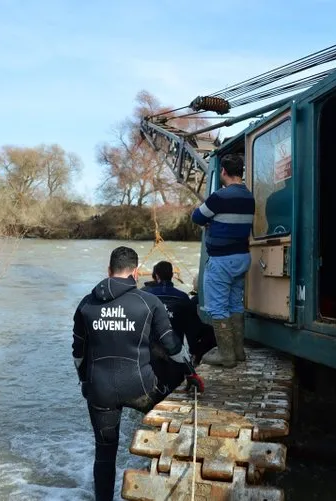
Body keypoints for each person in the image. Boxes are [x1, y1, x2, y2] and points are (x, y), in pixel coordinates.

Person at [72, 246, 204, 501]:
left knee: (104, 453)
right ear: (134, 272)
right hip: (142, 387)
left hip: (101, 390)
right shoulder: (148, 301)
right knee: (168, 424)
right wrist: (191, 374)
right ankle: (164, 481)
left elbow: (78, 354)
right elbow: (172, 346)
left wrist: (84, 380)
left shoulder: (86, 303)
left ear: (109, 271)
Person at [191, 153, 255, 367]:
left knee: (218, 307)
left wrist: (212, 222)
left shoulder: (219, 197)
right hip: (242, 258)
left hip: (222, 260)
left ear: (224, 172)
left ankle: (225, 355)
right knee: (236, 303)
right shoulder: (249, 196)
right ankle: (238, 351)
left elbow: (197, 217)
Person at [142, 261, 214, 374]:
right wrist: (193, 351)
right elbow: (192, 328)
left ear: (156, 276)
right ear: (172, 275)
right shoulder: (183, 297)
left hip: (150, 353)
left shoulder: (146, 296)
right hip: (175, 352)